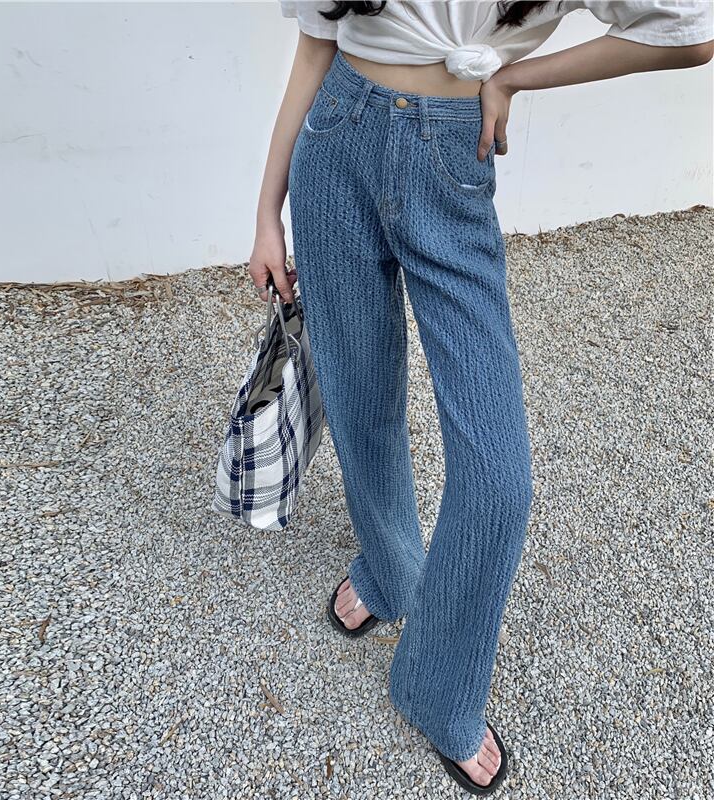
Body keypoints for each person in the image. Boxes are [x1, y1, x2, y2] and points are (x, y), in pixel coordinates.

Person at [249, 1, 713, 794]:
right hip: (336, 142)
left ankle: (437, 687)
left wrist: (515, 77)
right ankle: (390, 571)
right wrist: (266, 212)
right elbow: (314, 47)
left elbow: (687, 29)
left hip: (450, 152)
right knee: (359, 401)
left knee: (500, 478)